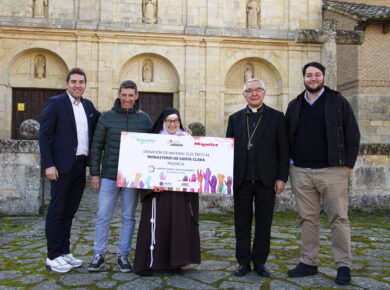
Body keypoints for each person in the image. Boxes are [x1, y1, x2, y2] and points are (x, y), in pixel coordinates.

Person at [285, 62, 360, 285]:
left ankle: (343, 265)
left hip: (332, 171)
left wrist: (346, 166)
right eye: (309, 75)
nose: (313, 78)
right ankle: (309, 262)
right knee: (307, 218)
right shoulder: (295, 104)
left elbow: (352, 134)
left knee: (339, 218)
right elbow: (287, 136)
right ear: (304, 78)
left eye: (317, 75)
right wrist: (290, 165)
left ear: (323, 77)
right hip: (301, 171)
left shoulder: (337, 102)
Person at [87, 80, 153, 273]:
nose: (127, 99)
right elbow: (96, 146)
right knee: (103, 216)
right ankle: (98, 254)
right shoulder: (106, 117)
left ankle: (123, 255)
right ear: (118, 95)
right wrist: (94, 174)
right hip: (109, 175)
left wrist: (184, 132)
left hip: (132, 177)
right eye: (124, 95)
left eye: (131, 95)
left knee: (128, 217)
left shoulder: (144, 119)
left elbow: (159, 140)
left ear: (136, 96)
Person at [226, 79, 289, 277]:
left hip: (266, 180)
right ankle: (243, 262)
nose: (254, 94)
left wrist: (281, 178)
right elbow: (228, 150)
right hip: (242, 179)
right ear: (244, 94)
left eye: (258, 90)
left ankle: (260, 262)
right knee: (241, 223)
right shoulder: (235, 118)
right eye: (250, 91)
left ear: (264, 92)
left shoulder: (277, 117)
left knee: (264, 223)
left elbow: (284, 150)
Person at [39, 67, 100, 273]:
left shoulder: (89, 106)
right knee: (57, 210)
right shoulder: (55, 103)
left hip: (80, 165)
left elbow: (106, 120)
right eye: (73, 81)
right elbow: (44, 135)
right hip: (60, 166)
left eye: (81, 82)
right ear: (67, 84)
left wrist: (132, 109)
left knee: (69, 211)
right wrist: (48, 164)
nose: (77, 85)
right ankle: (52, 256)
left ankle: (64, 252)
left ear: (85, 84)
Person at [133, 108, 201, 276]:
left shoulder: (187, 140)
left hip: (180, 193)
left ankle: (175, 263)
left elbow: (198, 162)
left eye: (175, 121)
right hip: (159, 193)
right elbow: (143, 163)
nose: (172, 124)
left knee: (178, 226)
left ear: (180, 122)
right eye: (169, 121)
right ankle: (148, 263)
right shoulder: (154, 140)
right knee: (155, 225)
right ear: (163, 123)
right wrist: (149, 184)